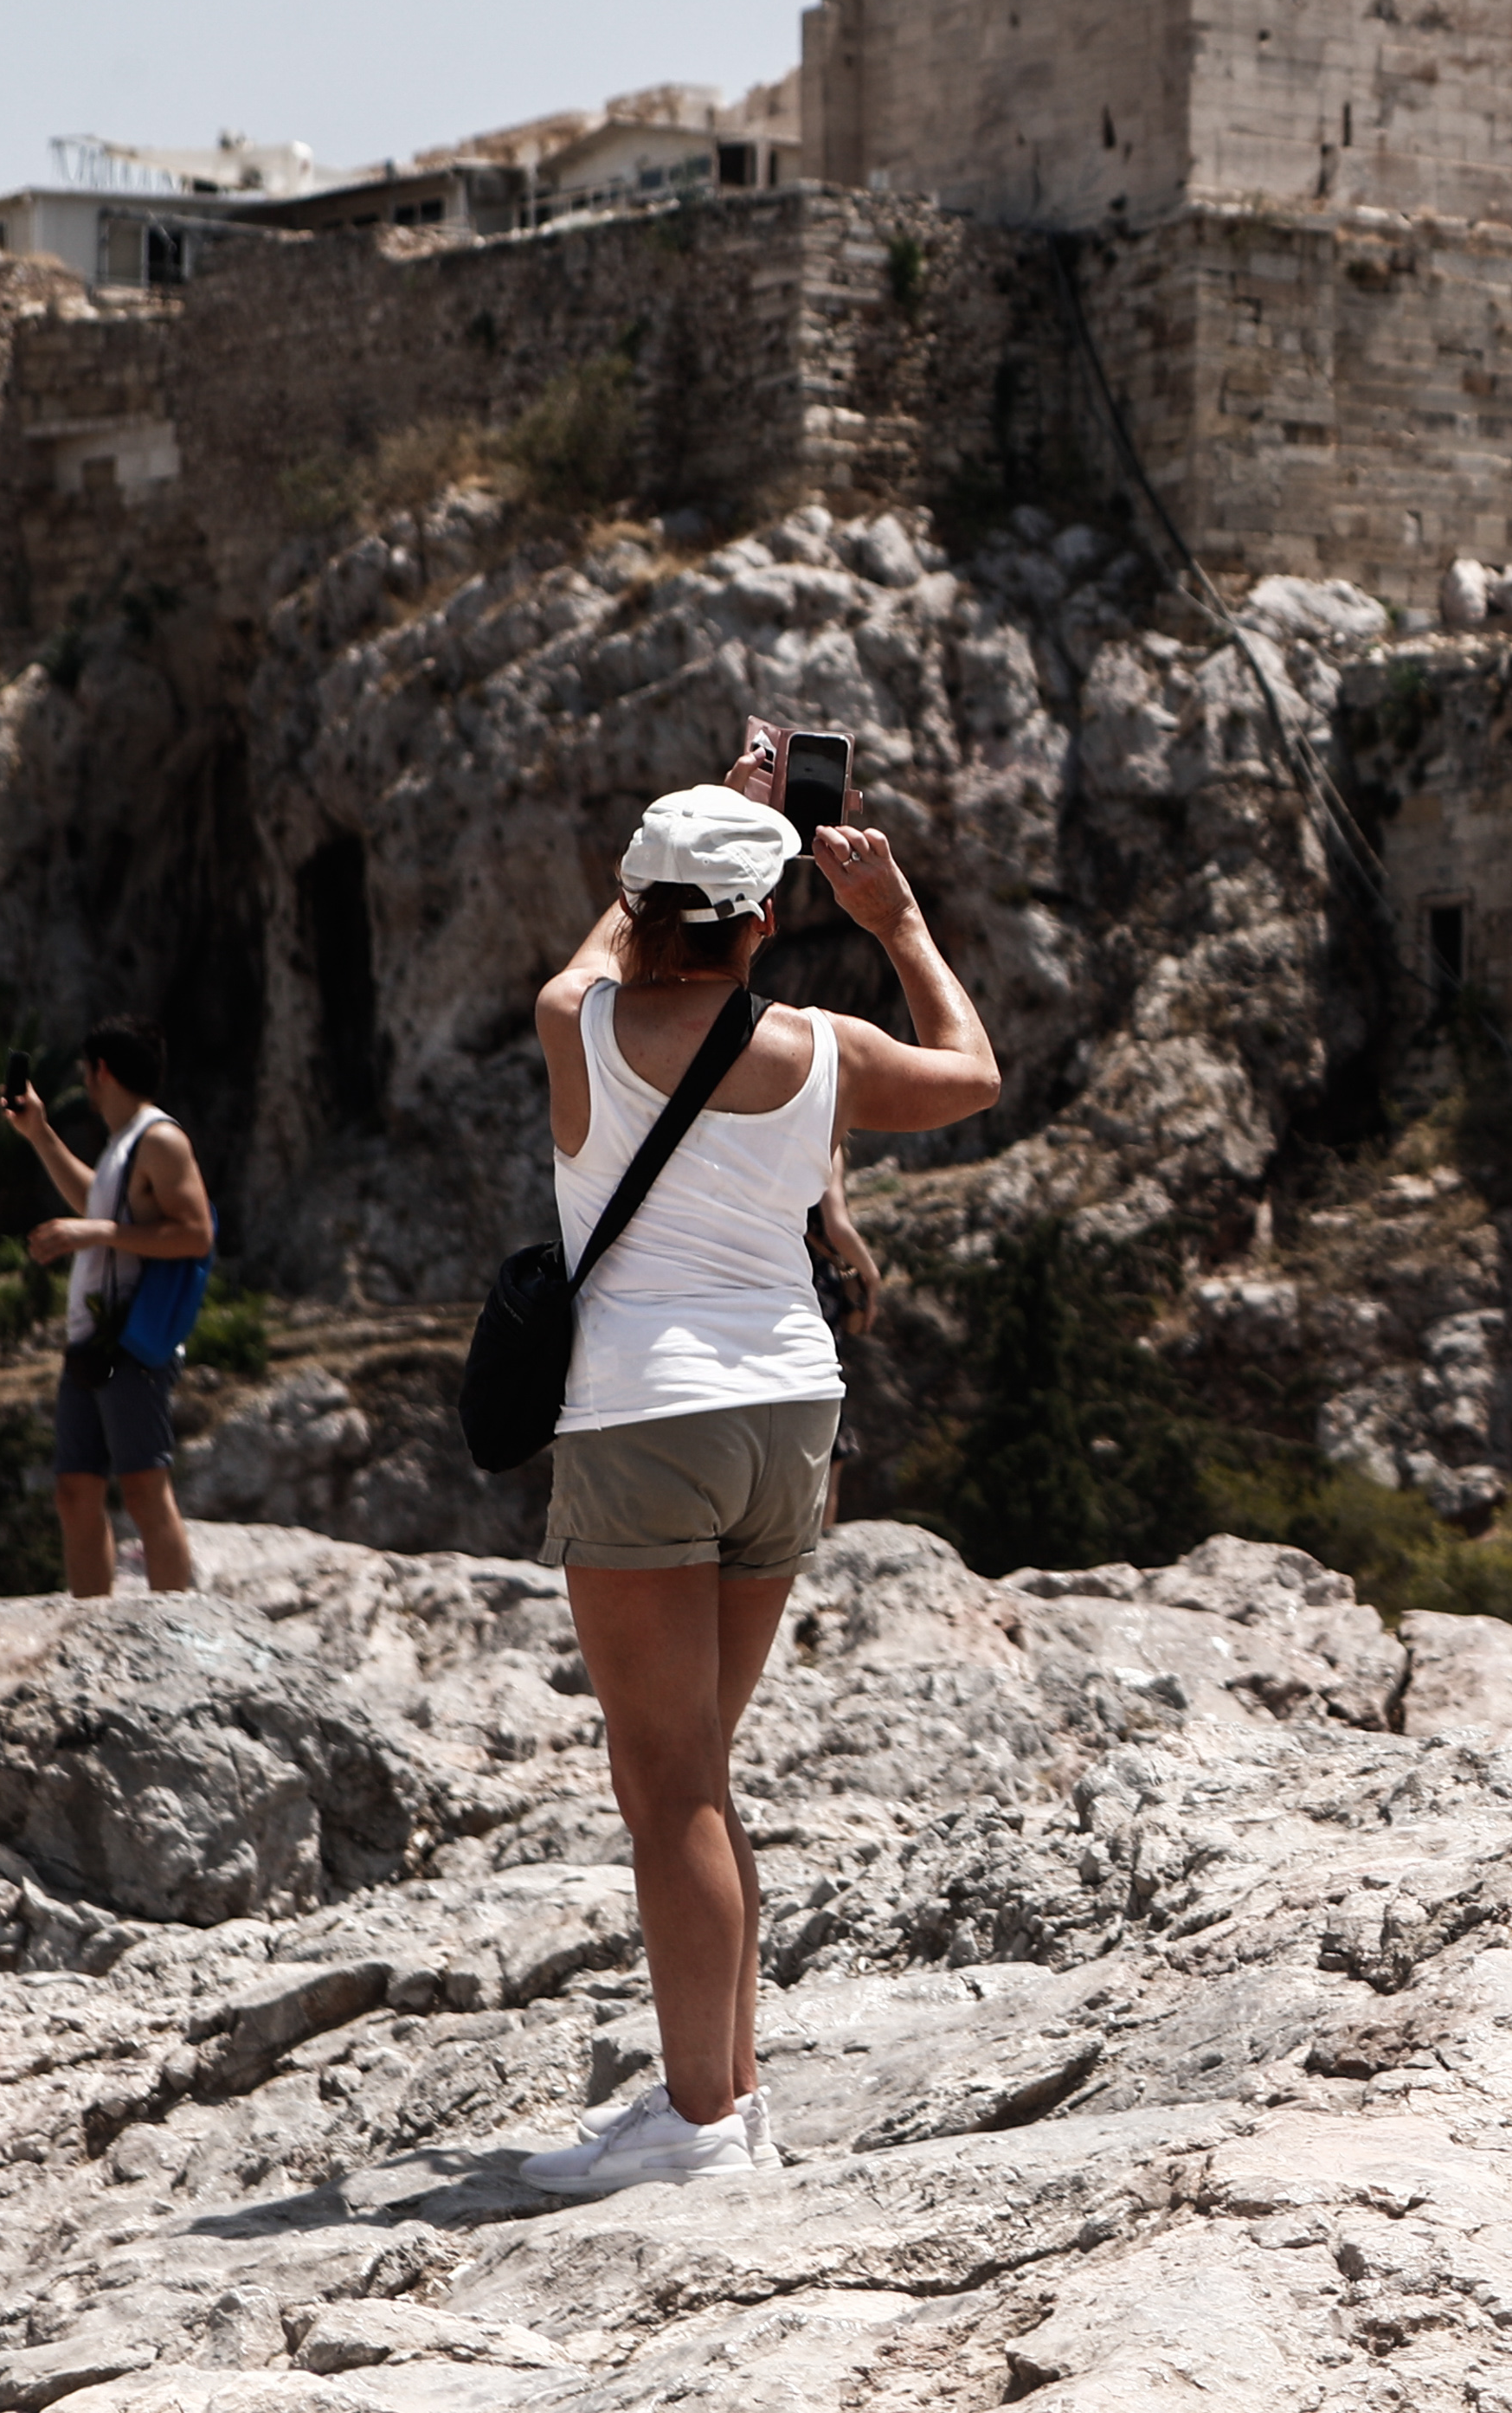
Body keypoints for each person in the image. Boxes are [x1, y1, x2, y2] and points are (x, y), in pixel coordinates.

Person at [512, 759, 999, 2198]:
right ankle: (731, 2095)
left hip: (643, 1419)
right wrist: (897, 919)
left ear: (641, 897)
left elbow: (599, 953)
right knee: (701, 1776)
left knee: (666, 1785)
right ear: (768, 920)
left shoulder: (579, 1027)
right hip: (791, 1415)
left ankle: (700, 2123)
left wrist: (690, 827)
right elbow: (970, 1070)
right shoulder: (828, 1048)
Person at [2, 1017, 214, 1599]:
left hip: (132, 1339)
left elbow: (193, 1233)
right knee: (75, 1490)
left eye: (86, 1075)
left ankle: (173, 1622)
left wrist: (92, 1232)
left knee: (144, 1488)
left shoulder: (161, 1140)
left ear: (101, 1071)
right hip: (92, 1338)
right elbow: (100, 1200)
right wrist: (40, 1133)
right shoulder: (124, 1145)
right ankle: (90, 1622)